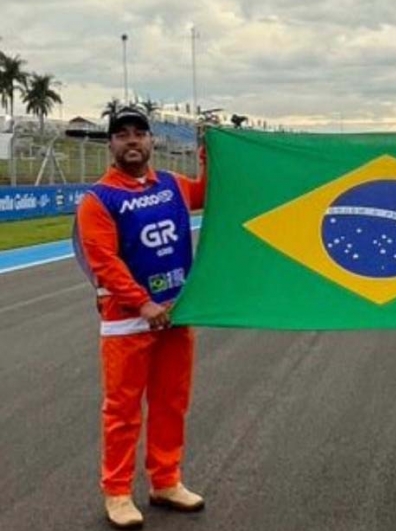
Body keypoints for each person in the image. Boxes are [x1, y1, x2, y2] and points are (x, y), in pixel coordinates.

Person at [73, 106, 207, 529]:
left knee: (171, 402)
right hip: (127, 322)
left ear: (151, 141)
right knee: (123, 411)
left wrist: (211, 152)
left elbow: (208, 192)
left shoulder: (172, 184)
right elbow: (104, 261)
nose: (132, 140)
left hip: (176, 314)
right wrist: (143, 303)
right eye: (122, 134)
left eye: (139, 133)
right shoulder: (98, 199)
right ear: (111, 145)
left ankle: (166, 481)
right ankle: (117, 492)